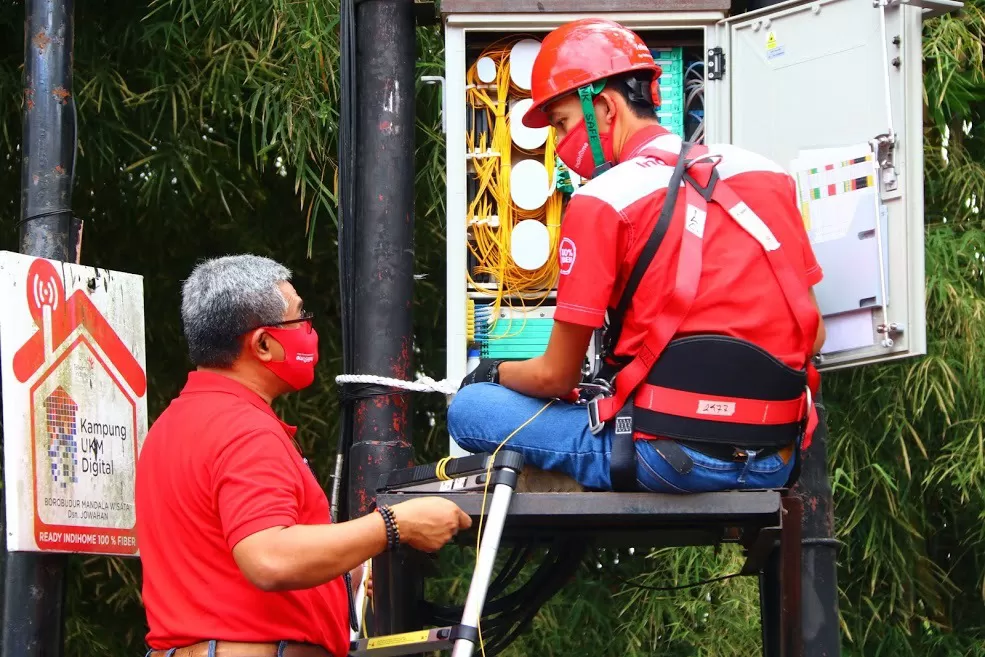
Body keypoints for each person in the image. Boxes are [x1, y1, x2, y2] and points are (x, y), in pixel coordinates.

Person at [447, 19, 827, 494]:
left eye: (563, 124)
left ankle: (563, 477)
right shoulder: (766, 175)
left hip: (665, 458)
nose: (562, 147)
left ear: (603, 107)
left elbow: (555, 375)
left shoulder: (603, 200)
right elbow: (814, 335)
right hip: (776, 457)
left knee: (472, 410)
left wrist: (493, 371)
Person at [136, 254, 471, 657]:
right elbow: (268, 557)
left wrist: (348, 566)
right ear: (262, 343)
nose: (310, 331)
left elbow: (220, 569)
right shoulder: (243, 429)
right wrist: (393, 526)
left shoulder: (172, 426)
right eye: (300, 317)